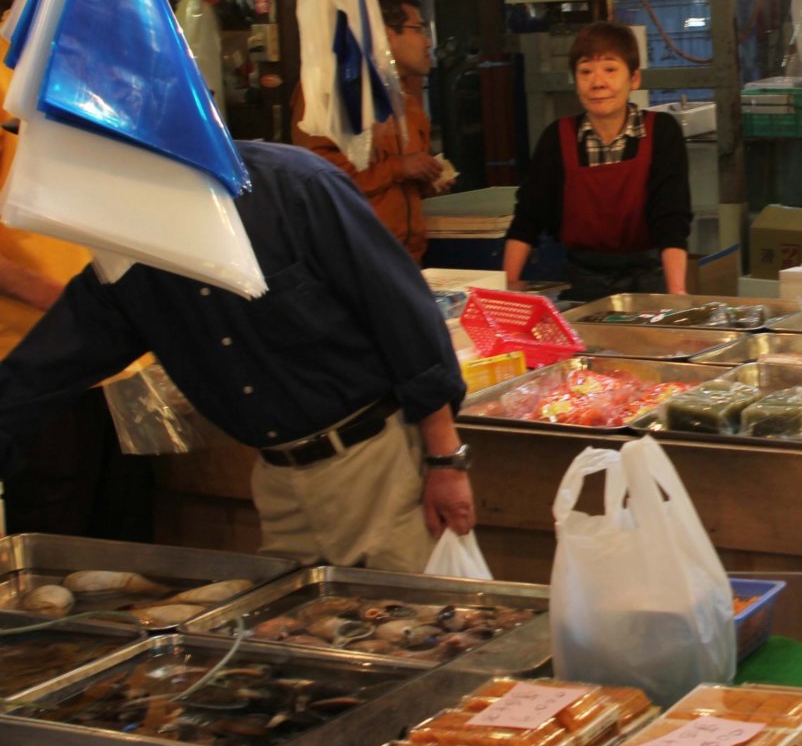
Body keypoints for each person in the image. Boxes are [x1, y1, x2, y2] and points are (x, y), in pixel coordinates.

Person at [0, 141, 475, 570]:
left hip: (379, 465)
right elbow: (48, 364)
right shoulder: (128, 247)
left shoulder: (294, 185)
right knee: (302, 642)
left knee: (418, 634)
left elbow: (404, 318)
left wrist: (445, 461)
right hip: (278, 480)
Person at [0, 0, 153, 540]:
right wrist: (50, 292)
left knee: (133, 553)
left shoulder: (112, 64)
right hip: (36, 356)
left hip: (123, 366)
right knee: (57, 559)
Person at [506, 22, 692, 299]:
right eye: (585, 71)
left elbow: (672, 218)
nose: (597, 82)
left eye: (610, 69)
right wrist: (508, 286)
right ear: (575, 81)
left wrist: (677, 292)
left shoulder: (661, 132)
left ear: (634, 79)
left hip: (649, 282)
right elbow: (528, 218)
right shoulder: (557, 138)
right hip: (581, 284)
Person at [292, 0, 443, 263]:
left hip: (407, 257)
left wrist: (427, 178)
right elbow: (317, 177)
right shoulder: (331, 91)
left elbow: (403, 185)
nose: (427, 42)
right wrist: (400, 167)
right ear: (386, 34)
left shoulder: (407, 101)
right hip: (354, 259)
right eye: (418, 29)